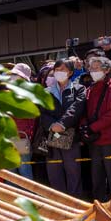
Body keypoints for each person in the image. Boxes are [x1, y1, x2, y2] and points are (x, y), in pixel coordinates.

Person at [39, 59, 86, 198]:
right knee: (54, 171)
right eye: (57, 70)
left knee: (73, 171)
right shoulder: (46, 91)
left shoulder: (78, 89)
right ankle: (59, 202)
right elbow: (42, 112)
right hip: (51, 134)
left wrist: (62, 124)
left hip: (71, 134)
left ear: (70, 72)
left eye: (63, 70)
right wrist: (52, 125)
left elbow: (76, 109)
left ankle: (75, 202)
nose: (59, 73)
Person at [81, 57, 111, 202]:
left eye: (97, 68)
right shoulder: (91, 88)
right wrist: (84, 126)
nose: (93, 71)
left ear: (107, 70)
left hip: (109, 138)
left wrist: (91, 127)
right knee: (96, 174)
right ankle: (98, 202)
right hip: (94, 139)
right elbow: (84, 111)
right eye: (91, 68)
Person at [10, 63, 36, 179]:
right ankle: (12, 196)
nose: (13, 78)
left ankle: (29, 196)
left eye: (16, 75)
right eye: (12, 75)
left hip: (21, 137)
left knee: (24, 171)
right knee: (11, 172)